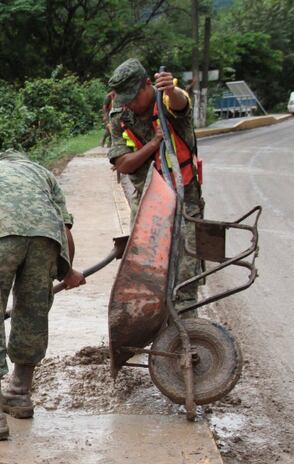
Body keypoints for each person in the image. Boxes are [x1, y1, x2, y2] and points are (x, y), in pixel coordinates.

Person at [0, 151, 86, 441]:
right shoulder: (43, 175)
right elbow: (64, 231)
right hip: (47, 238)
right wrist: (67, 272)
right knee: (32, 314)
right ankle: (19, 395)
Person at [107, 58, 203, 312]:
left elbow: (181, 103)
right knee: (145, 273)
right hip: (147, 203)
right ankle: (154, 326)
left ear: (148, 84)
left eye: (133, 97)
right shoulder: (120, 116)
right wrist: (153, 143)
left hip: (184, 201)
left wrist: (171, 90)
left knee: (185, 272)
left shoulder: (167, 101)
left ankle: (186, 333)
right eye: (124, 99)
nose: (129, 104)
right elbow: (123, 164)